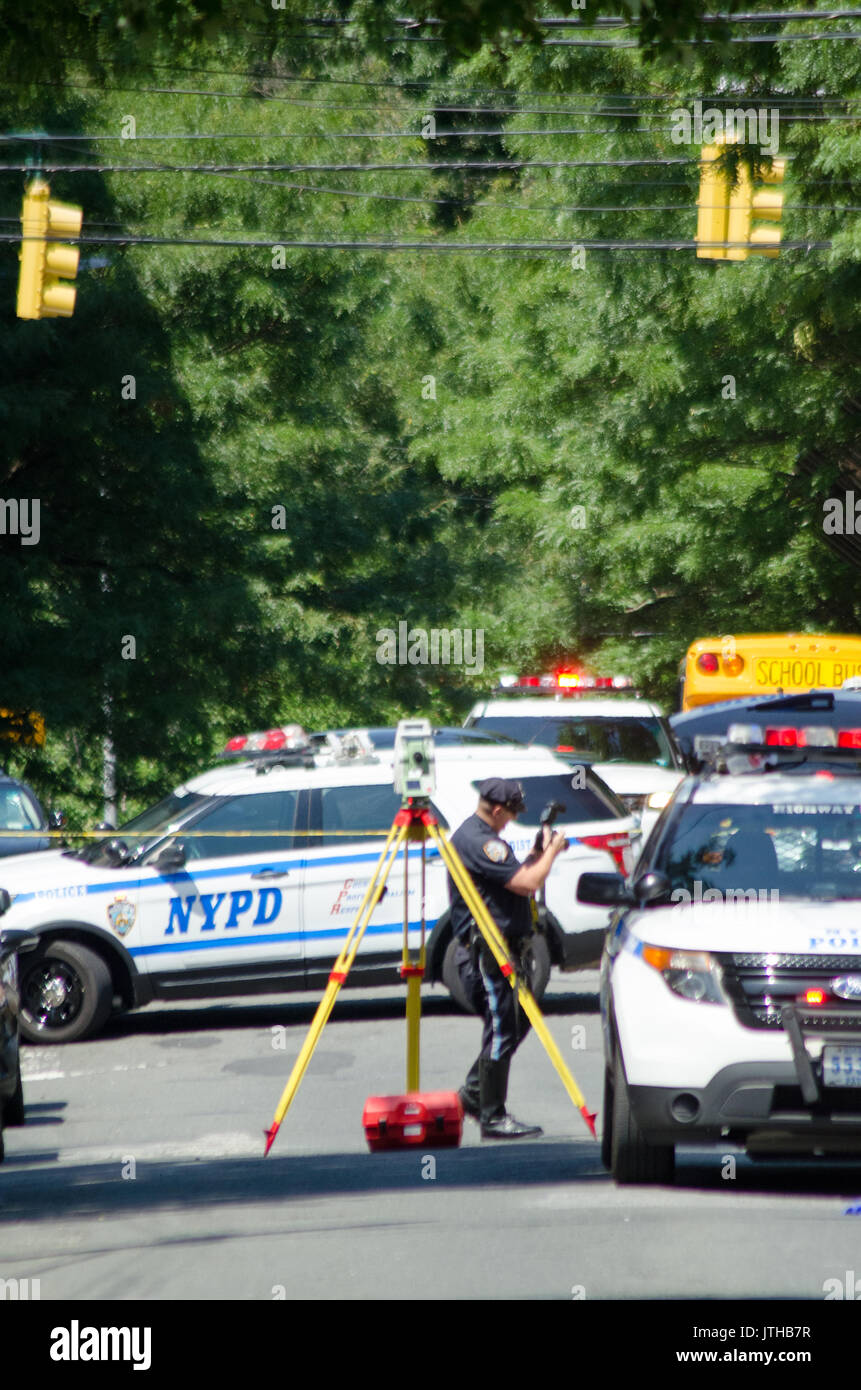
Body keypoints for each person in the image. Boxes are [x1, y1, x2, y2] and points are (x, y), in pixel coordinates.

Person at [448, 777, 568, 1139]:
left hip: (505, 948)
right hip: (488, 951)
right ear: (497, 809)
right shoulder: (480, 841)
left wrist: (535, 854)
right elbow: (528, 884)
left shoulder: (484, 837)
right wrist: (552, 852)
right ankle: (492, 1115)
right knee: (502, 1028)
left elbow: (516, 878)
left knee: (516, 1022)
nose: (512, 820)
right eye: (511, 814)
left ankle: (473, 1094)